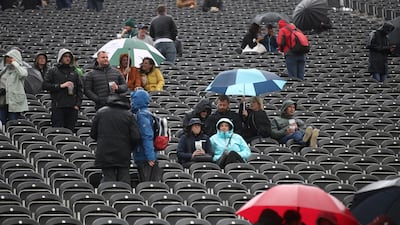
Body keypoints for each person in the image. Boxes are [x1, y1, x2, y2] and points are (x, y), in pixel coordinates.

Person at [90, 95, 141, 185]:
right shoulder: (129, 115)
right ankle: (125, 198)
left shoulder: (101, 112)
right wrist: (130, 147)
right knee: (124, 180)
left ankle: (109, 197)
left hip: (104, 152)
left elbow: (93, 134)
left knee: (108, 179)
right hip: (123, 153)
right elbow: (136, 137)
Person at [42, 48, 83, 132]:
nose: (67, 58)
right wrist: (60, 86)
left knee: (70, 131)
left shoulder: (74, 72)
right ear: (60, 57)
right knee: (58, 131)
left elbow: (80, 89)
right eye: (65, 56)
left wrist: (77, 105)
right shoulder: (53, 70)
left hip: (72, 107)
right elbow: (45, 85)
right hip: (58, 106)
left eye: (69, 57)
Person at [131, 89, 160, 182]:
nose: (132, 101)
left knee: (148, 183)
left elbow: (147, 136)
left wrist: (150, 157)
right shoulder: (147, 113)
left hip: (144, 156)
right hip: (145, 154)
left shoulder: (142, 115)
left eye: (134, 99)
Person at [0, 48, 28, 124]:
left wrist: (15, 63)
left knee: (12, 123)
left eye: (10, 57)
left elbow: (23, 74)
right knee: (1, 122)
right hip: (2, 100)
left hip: (14, 101)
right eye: (7, 57)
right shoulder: (4, 70)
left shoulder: (21, 69)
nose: (8, 59)